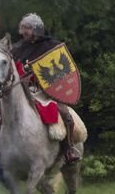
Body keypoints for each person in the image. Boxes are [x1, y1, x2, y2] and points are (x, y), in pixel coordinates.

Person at [10, 13, 81, 163]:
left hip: (46, 92)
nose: (23, 31)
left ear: (36, 29)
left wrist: (33, 70)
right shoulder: (17, 49)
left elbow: (60, 72)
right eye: (22, 28)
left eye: (27, 28)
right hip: (23, 90)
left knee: (65, 115)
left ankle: (68, 149)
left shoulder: (51, 46)